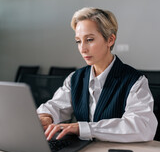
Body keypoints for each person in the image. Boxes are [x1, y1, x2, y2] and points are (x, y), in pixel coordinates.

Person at [37, 7, 157, 142]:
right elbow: (57, 105)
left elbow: (143, 127)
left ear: (110, 40)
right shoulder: (75, 78)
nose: (82, 48)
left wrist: (83, 128)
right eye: (78, 41)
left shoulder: (135, 81)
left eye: (89, 39)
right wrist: (46, 116)